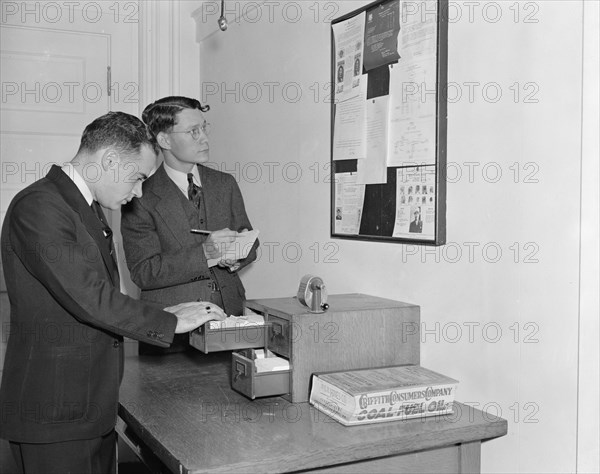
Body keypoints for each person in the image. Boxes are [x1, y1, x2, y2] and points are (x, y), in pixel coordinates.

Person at [0, 111, 227, 473]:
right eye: (137, 178)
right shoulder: (40, 206)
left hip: (87, 408)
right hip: (55, 415)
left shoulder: (81, 206)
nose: (137, 192)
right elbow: (89, 297)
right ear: (108, 160)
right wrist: (168, 320)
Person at [121, 96, 259, 355]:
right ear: (164, 140)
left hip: (229, 321)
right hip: (171, 333)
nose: (204, 138)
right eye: (193, 131)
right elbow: (144, 272)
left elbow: (248, 238)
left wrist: (237, 256)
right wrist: (206, 254)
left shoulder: (225, 184)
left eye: (204, 128)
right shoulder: (138, 195)